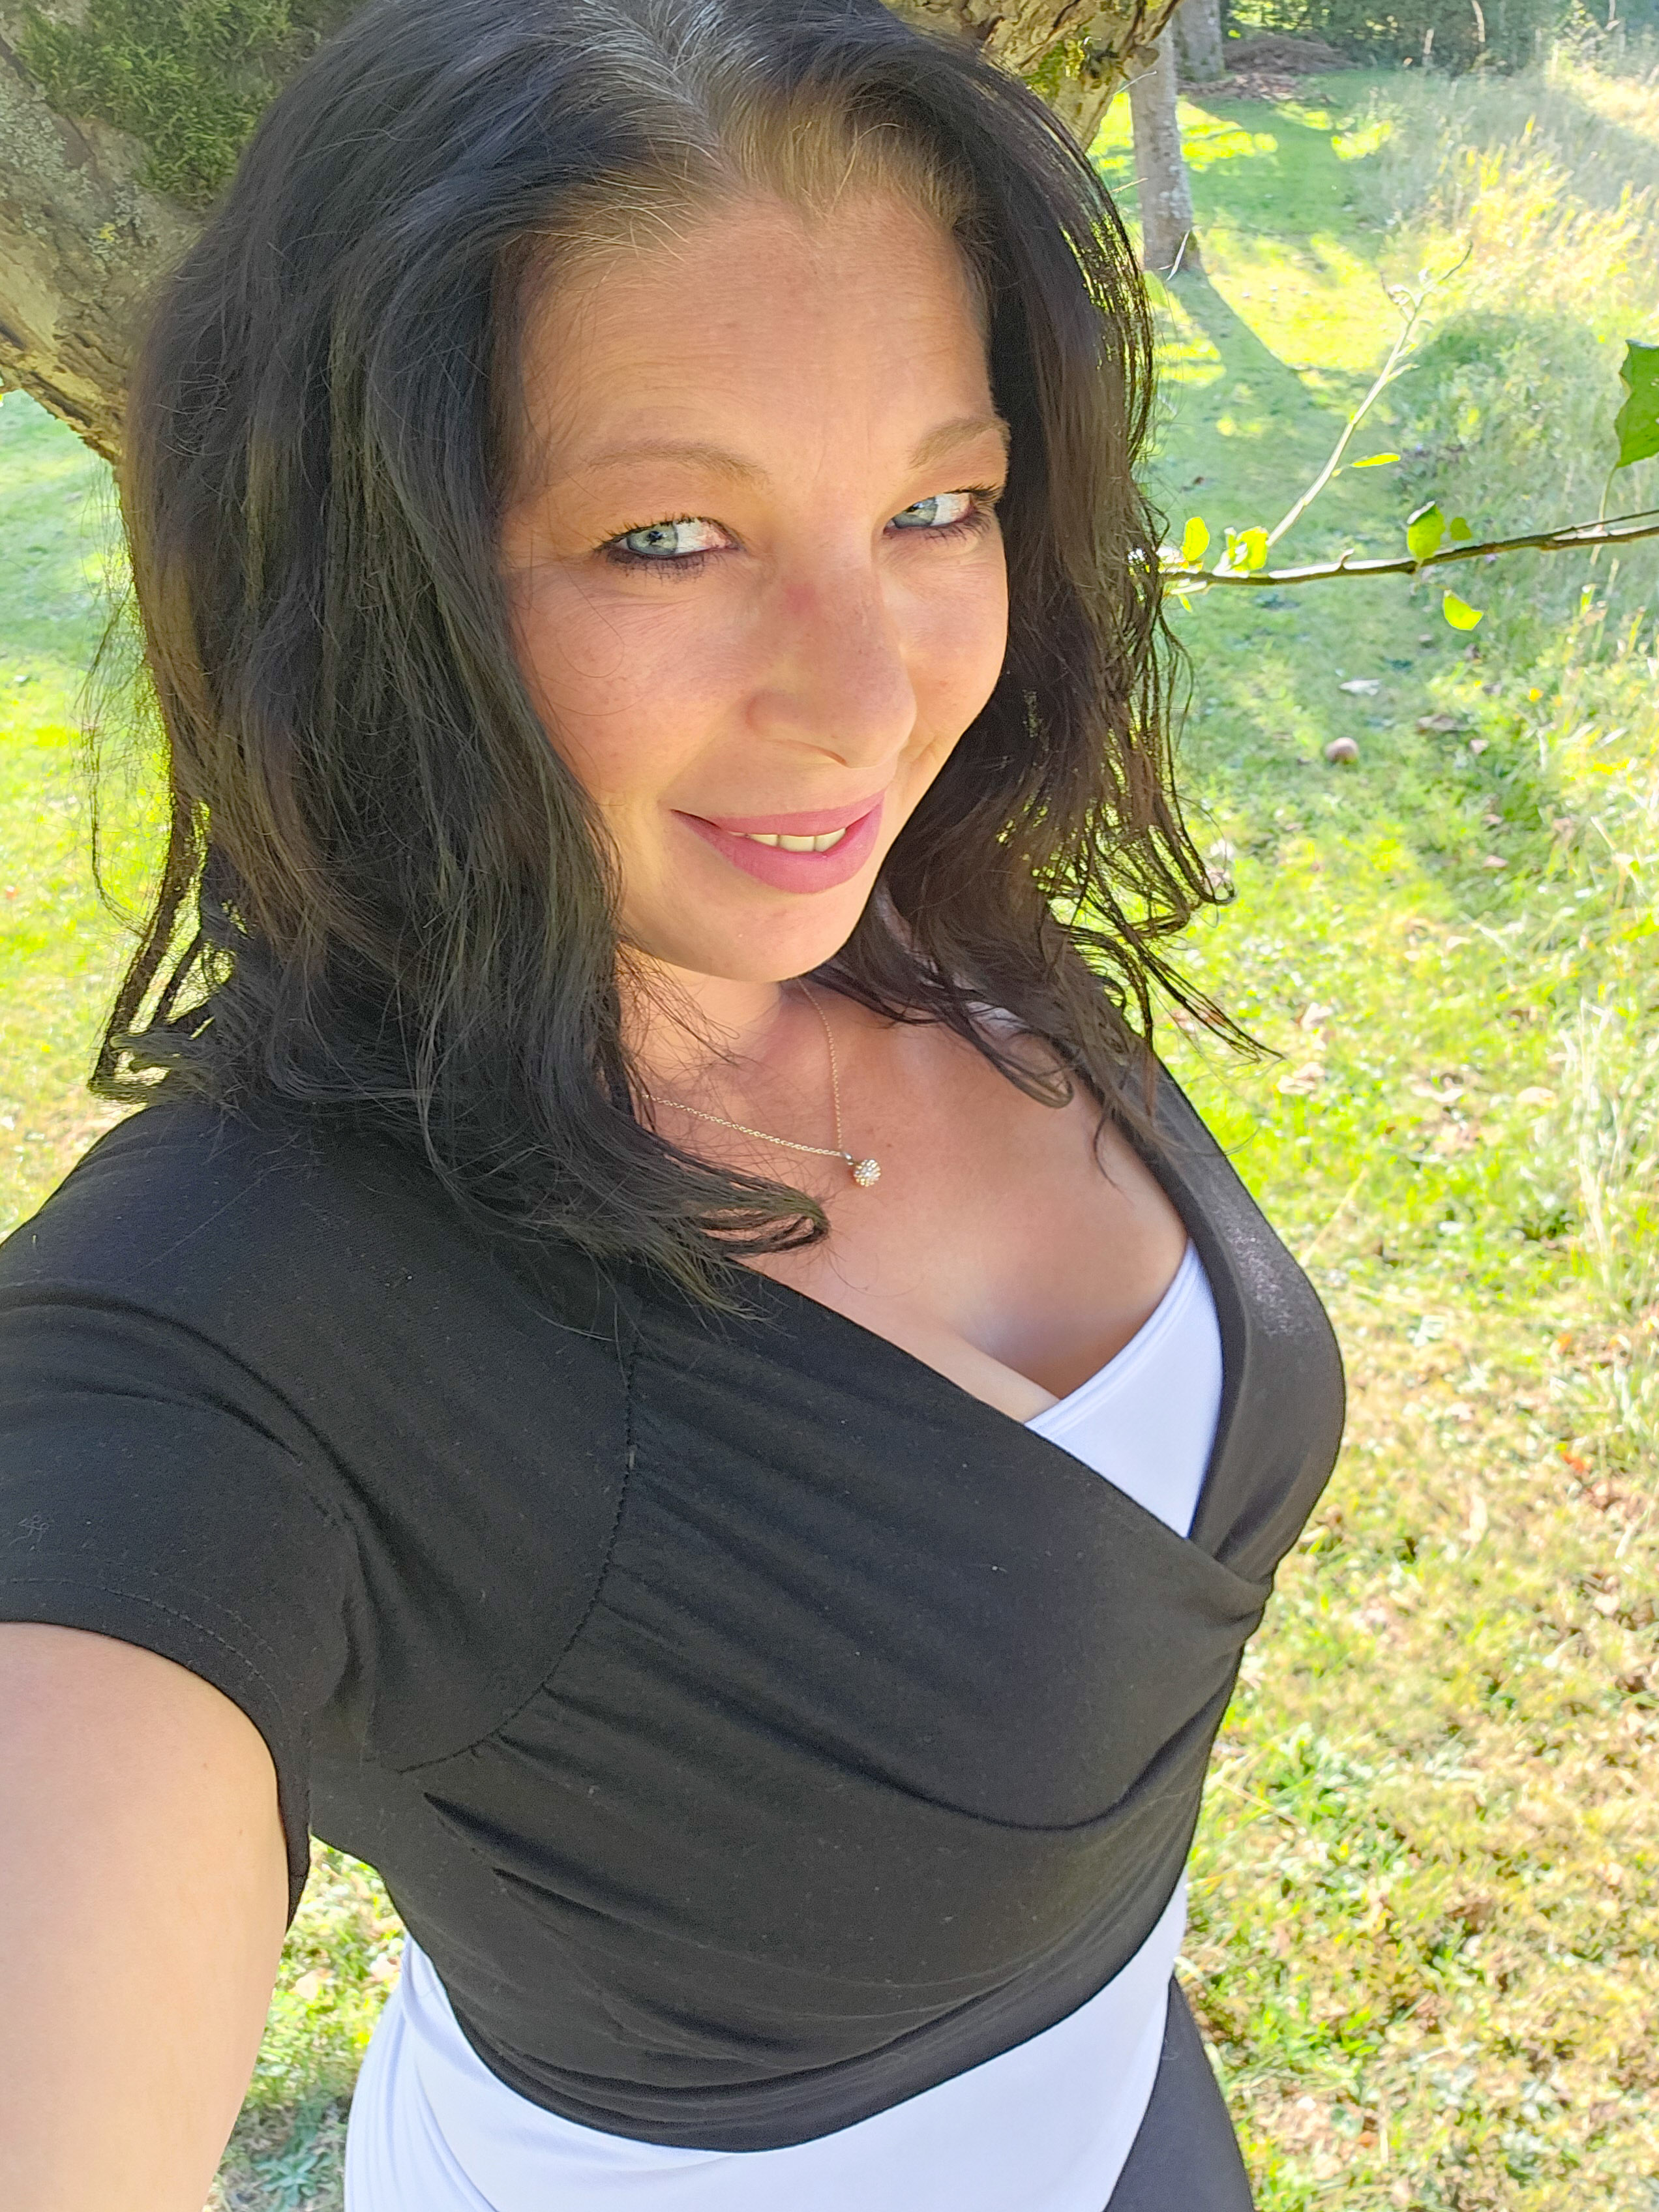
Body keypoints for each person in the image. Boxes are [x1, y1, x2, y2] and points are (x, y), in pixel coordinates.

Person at [0, 0, 1344, 2205]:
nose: (871, 695)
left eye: (936, 504)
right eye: (666, 539)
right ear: (372, 577)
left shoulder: (896, 904)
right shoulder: (237, 1328)